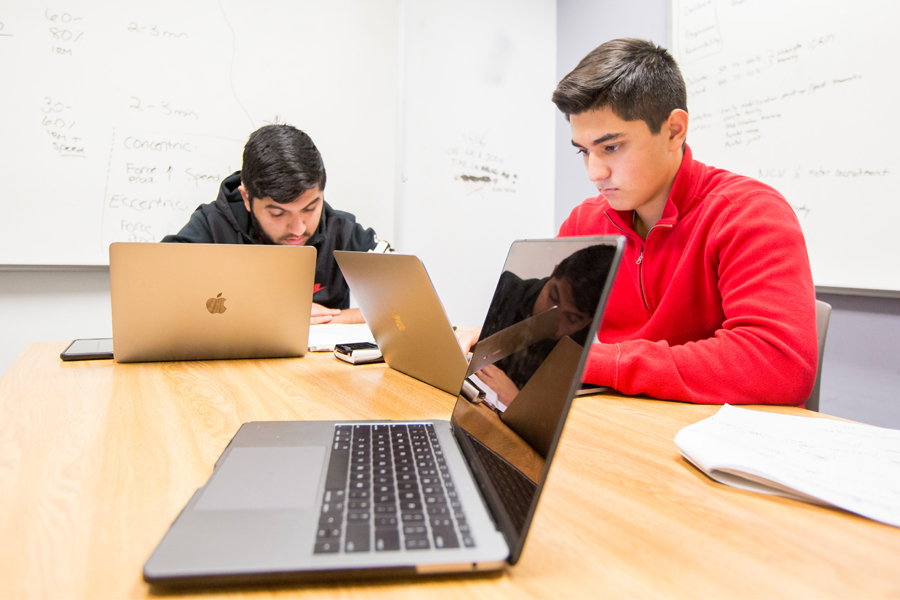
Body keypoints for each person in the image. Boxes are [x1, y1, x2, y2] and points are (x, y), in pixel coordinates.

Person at [551, 38, 817, 406]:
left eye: (611, 147)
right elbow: (544, 321)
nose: (595, 172)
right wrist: (497, 342)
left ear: (674, 130)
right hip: (630, 426)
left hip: (719, 442)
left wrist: (595, 363)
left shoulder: (749, 212)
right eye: (584, 151)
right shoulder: (585, 222)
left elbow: (778, 366)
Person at [161, 124, 389, 324]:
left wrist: (329, 320)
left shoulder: (342, 230)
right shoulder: (213, 225)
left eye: (310, 209)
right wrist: (276, 316)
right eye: (278, 214)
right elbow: (154, 299)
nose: (298, 229)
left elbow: (409, 305)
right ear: (247, 199)